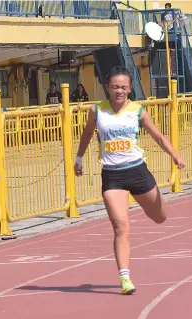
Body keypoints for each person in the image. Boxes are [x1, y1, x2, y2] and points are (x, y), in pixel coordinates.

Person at [74, 66, 185, 295]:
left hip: (137, 171)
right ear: (107, 87)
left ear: (130, 88)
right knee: (120, 226)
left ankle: (152, 201)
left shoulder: (137, 111)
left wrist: (175, 156)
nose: (119, 91)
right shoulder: (97, 111)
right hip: (113, 175)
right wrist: (79, 158)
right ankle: (125, 278)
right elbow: (86, 134)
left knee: (160, 217)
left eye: (124, 87)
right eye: (115, 87)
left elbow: (158, 136)